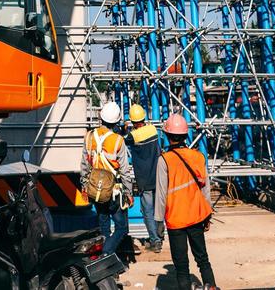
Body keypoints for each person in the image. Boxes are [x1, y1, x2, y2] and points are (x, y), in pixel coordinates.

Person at [154, 114, 217, 290]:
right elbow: (206, 188)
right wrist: (208, 214)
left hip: (176, 220)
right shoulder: (198, 157)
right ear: (185, 135)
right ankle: (211, 286)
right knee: (203, 259)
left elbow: (160, 194)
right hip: (196, 216)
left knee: (182, 267)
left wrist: (158, 221)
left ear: (167, 135)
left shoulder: (164, 160)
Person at [80, 100, 133, 255]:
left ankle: (105, 259)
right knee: (121, 227)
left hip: (95, 188)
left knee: (103, 224)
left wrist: (84, 185)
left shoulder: (89, 136)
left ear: (101, 118)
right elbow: (124, 170)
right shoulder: (118, 140)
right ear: (116, 121)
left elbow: (84, 164)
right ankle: (107, 253)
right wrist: (129, 193)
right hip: (113, 190)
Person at [125, 104, 162, 252]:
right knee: (158, 209)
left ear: (133, 121)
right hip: (157, 175)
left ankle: (155, 241)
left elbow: (123, 141)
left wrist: (125, 130)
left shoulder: (133, 136)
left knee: (147, 211)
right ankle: (159, 234)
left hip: (144, 179)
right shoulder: (153, 129)